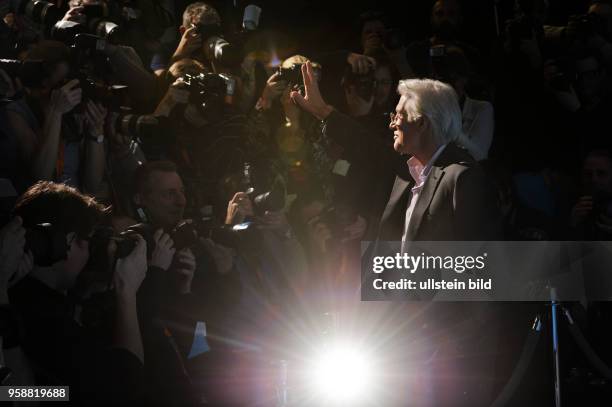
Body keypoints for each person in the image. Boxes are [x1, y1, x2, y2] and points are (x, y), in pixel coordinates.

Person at [8, 181, 147, 405]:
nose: (89, 252)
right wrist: (127, 292)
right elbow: (126, 387)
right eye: (86, 241)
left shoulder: (23, 295)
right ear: (65, 243)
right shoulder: (43, 319)